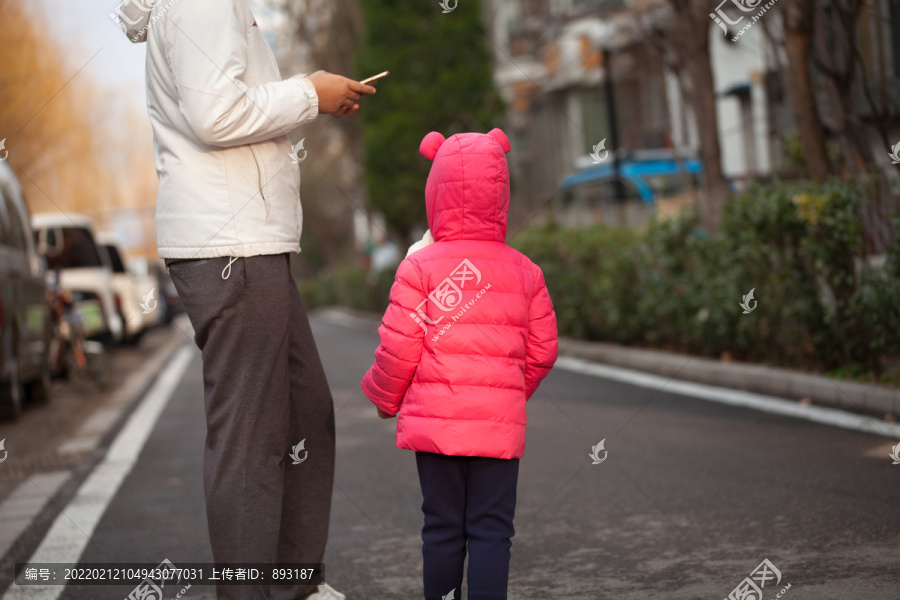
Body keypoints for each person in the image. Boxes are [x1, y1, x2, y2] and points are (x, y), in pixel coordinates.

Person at [116, 0, 376, 598]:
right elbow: (215, 114)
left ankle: (293, 586)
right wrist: (310, 94)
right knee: (251, 440)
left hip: (248, 244)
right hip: (232, 247)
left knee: (305, 415)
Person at [360, 129, 559, 600]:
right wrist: (506, 392)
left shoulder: (419, 268)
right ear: (501, 194)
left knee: (443, 527)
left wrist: (384, 398)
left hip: (437, 431)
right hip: (496, 430)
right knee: (492, 529)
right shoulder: (525, 270)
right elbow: (543, 349)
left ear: (436, 193)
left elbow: (399, 345)